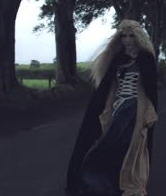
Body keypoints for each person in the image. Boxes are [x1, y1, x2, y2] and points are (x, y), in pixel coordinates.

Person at [65, 19, 158, 196]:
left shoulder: (146, 59)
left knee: (126, 144)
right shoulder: (118, 59)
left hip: (135, 108)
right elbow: (108, 87)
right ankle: (97, 179)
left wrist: (149, 112)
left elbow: (151, 90)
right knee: (110, 142)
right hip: (116, 106)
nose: (127, 40)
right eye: (123, 36)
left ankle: (117, 179)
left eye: (131, 36)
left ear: (138, 37)